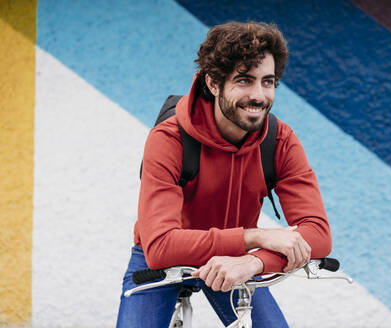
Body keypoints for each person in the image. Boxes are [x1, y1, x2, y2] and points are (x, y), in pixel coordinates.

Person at [117, 21, 332, 327]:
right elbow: (161, 245)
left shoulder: (279, 141)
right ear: (214, 83)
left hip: (234, 260)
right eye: (244, 81)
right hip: (165, 257)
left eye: (268, 81)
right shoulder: (169, 139)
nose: (259, 96)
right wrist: (256, 237)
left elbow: (318, 234)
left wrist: (254, 261)